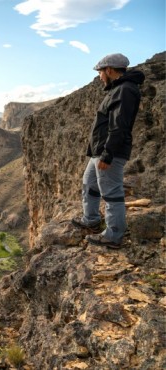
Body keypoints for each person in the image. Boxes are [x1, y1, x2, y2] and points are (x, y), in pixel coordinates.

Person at [71, 53, 145, 249]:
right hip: (100, 151)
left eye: (101, 72)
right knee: (89, 184)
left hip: (108, 152)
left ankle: (113, 235)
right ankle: (92, 219)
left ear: (109, 70)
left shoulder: (125, 91)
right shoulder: (118, 90)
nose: (100, 77)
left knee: (112, 193)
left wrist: (107, 154)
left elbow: (119, 126)